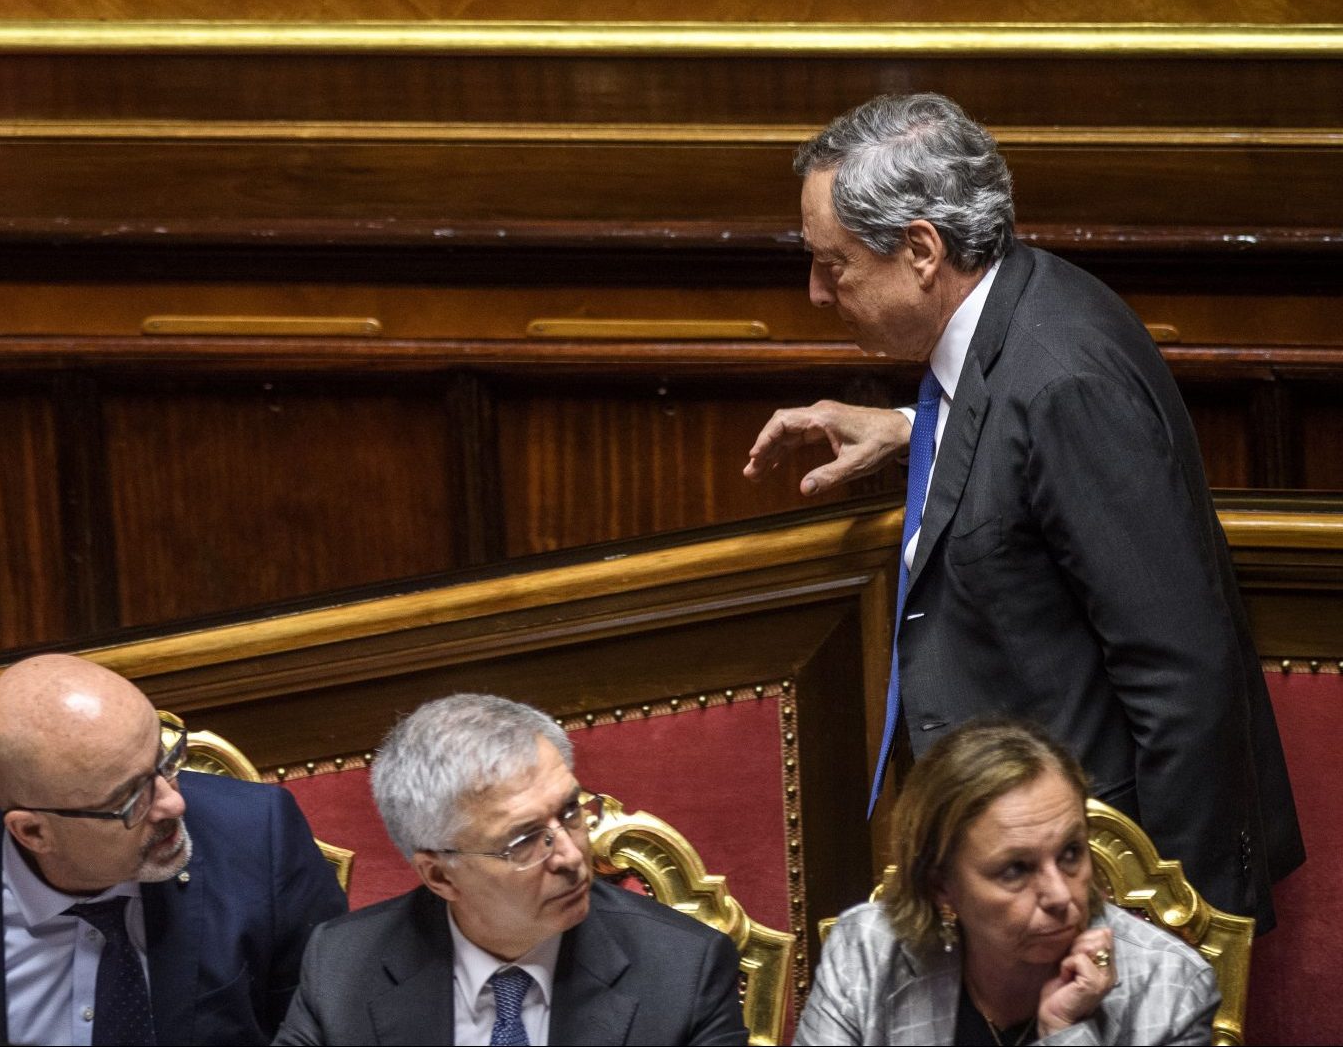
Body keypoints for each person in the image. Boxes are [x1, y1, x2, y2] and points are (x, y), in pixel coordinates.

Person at [742, 92, 1301, 928]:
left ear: (922, 250)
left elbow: (1182, 674)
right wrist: (909, 427)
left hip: (1093, 886)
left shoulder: (1064, 381)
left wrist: (1179, 928)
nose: (818, 291)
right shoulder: (1018, 308)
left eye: (836, 263)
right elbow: (1015, 439)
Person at [0, 653, 347, 1046]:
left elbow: (328, 1028)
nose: (173, 802)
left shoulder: (259, 838)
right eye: (130, 799)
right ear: (33, 832)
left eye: (164, 760)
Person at [274, 693, 747, 1046]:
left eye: (569, 813)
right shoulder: (342, 968)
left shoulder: (683, 969)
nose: (569, 857)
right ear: (440, 876)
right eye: (523, 842)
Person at [797, 718, 1219, 1045]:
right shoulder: (866, 955)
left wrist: (1064, 1032)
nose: (1059, 895)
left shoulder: (1170, 992)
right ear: (939, 884)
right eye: (1015, 870)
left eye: (1071, 853)